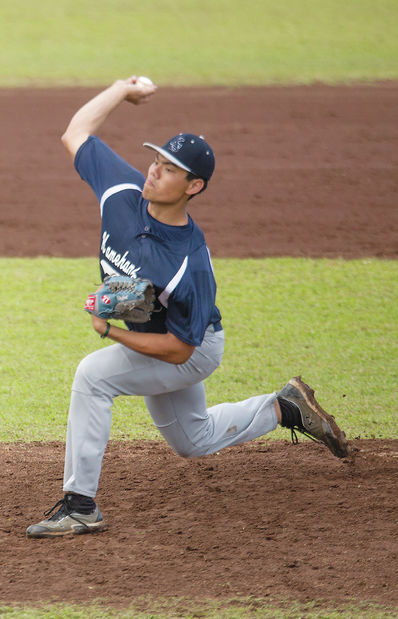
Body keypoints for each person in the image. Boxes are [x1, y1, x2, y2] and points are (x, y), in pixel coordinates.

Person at [26, 77, 350, 538]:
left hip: (191, 346)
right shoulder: (122, 192)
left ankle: (81, 505)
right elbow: (76, 132)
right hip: (158, 330)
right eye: (156, 160)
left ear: (193, 186)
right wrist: (122, 89)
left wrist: (111, 332)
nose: (155, 171)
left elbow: (179, 350)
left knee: (92, 376)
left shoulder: (189, 264)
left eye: (170, 168)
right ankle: (284, 408)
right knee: (192, 441)